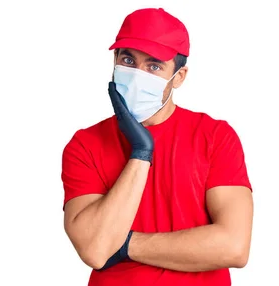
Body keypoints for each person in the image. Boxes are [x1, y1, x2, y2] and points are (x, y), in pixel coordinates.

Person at [60, 7, 254, 286]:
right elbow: (95, 249)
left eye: (153, 66)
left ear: (179, 76)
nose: (137, 74)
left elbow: (234, 247)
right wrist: (141, 152)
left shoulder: (215, 136)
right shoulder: (85, 144)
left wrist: (125, 245)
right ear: (114, 60)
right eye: (127, 59)